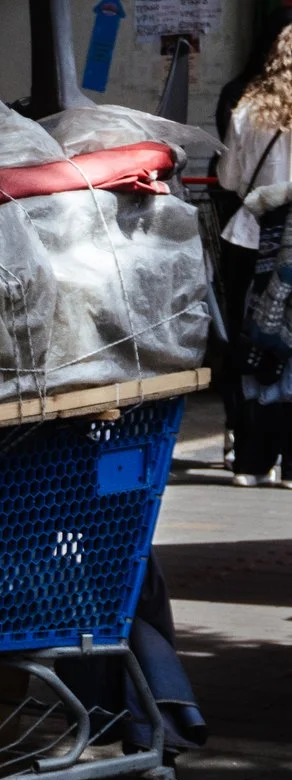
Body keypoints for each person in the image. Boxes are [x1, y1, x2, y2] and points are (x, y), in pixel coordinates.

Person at [220, 27, 292, 488]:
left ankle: (250, 459)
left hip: (252, 239)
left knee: (251, 345)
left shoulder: (248, 108)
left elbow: (229, 179)